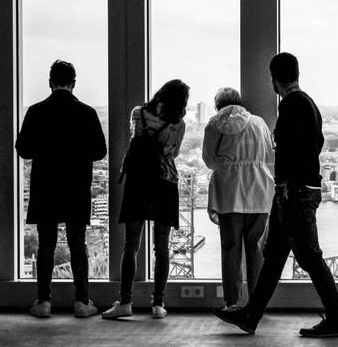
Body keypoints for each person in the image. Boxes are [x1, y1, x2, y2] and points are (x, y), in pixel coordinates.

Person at [213, 52, 338, 337]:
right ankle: (251, 314)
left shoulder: (291, 105)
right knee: (274, 256)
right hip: (296, 192)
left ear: (274, 79)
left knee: (309, 257)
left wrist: (286, 187)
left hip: (293, 194)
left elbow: (289, 151)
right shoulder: (308, 103)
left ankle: (337, 319)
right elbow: (315, 145)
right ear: (296, 73)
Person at [16, 60, 107, 318]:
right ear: (74, 83)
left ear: (50, 82)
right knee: (78, 244)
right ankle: (82, 301)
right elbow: (100, 151)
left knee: (46, 244)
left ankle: (43, 302)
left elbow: (23, 149)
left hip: (46, 186)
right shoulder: (87, 113)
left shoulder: (35, 111)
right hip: (76, 186)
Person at [102, 79, 188, 320]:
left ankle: (125, 300)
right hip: (165, 182)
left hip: (138, 182)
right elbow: (173, 152)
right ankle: (158, 303)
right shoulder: (178, 124)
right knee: (162, 246)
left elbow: (135, 141)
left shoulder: (138, 113)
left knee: (131, 244)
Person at [202, 87, 274, 311]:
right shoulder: (259, 123)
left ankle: (231, 301)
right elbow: (269, 156)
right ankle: (257, 302)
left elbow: (209, 160)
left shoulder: (214, 126)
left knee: (230, 248)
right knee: (256, 249)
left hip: (229, 192)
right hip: (259, 190)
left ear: (218, 106)